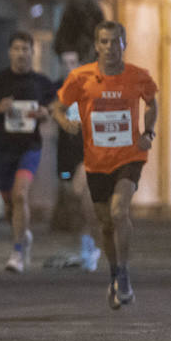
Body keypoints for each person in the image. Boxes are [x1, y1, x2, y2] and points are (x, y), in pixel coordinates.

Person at [51, 21, 158, 310]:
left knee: (118, 210)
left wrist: (148, 133)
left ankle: (123, 275)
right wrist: (66, 122)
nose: (110, 47)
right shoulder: (80, 77)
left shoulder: (138, 76)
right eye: (104, 42)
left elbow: (151, 103)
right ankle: (114, 272)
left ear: (124, 44)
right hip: (96, 160)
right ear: (96, 46)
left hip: (129, 156)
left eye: (115, 41)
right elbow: (57, 108)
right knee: (106, 224)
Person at [0, 31, 58, 273]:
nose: (21, 53)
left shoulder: (41, 82)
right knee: (10, 205)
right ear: (10, 52)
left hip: (29, 147)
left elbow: (57, 106)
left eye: (26, 49)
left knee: (21, 196)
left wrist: (46, 113)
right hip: (1, 148)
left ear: (33, 53)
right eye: (17, 49)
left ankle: (17, 253)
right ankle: (24, 235)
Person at [52, 49, 103, 271]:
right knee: (77, 202)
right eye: (65, 62)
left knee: (81, 194)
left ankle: (92, 247)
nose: (69, 66)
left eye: (73, 62)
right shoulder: (59, 88)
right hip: (66, 155)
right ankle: (88, 245)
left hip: (89, 152)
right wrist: (62, 120)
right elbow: (54, 109)